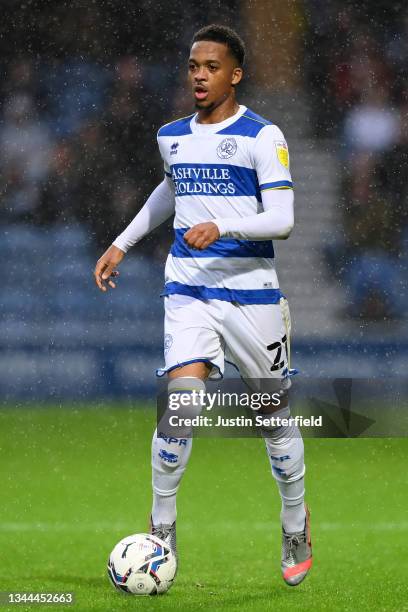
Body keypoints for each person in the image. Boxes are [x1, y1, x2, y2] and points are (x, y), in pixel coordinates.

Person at [94, 24, 312, 587]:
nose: (199, 74)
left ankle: (294, 519)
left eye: (212, 67)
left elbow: (283, 221)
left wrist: (223, 226)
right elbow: (172, 188)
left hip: (252, 293)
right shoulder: (172, 136)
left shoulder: (264, 136)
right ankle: (161, 526)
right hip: (189, 289)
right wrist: (123, 243)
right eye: (194, 65)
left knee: (272, 418)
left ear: (234, 75)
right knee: (181, 401)